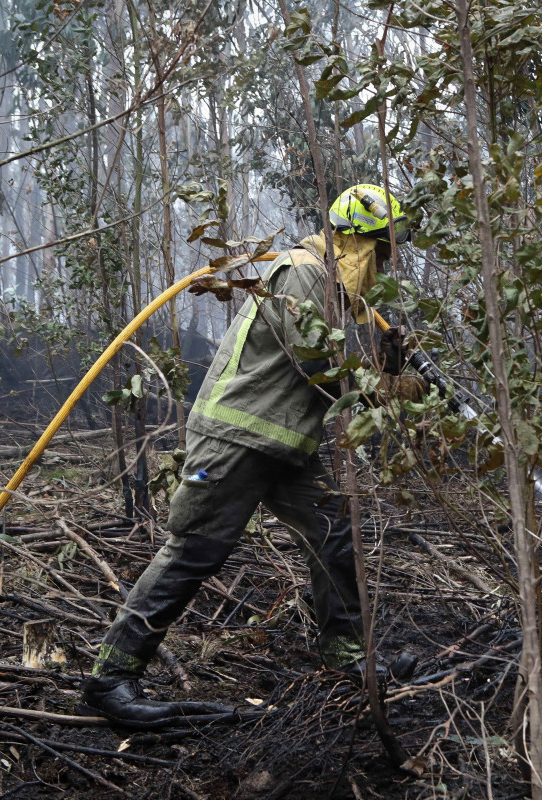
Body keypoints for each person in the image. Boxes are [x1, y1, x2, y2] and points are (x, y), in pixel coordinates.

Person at [79, 184, 415, 729]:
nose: (385, 262)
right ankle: (111, 678)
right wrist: (393, 385)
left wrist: (390, 369)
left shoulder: (332, 286)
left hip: (284, 445)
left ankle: (347, 657)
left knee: (332, 535)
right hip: (237, 438)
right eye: (381, 249)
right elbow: (321, 368)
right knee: (195, 551)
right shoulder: (304, 271)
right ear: (353, 241)